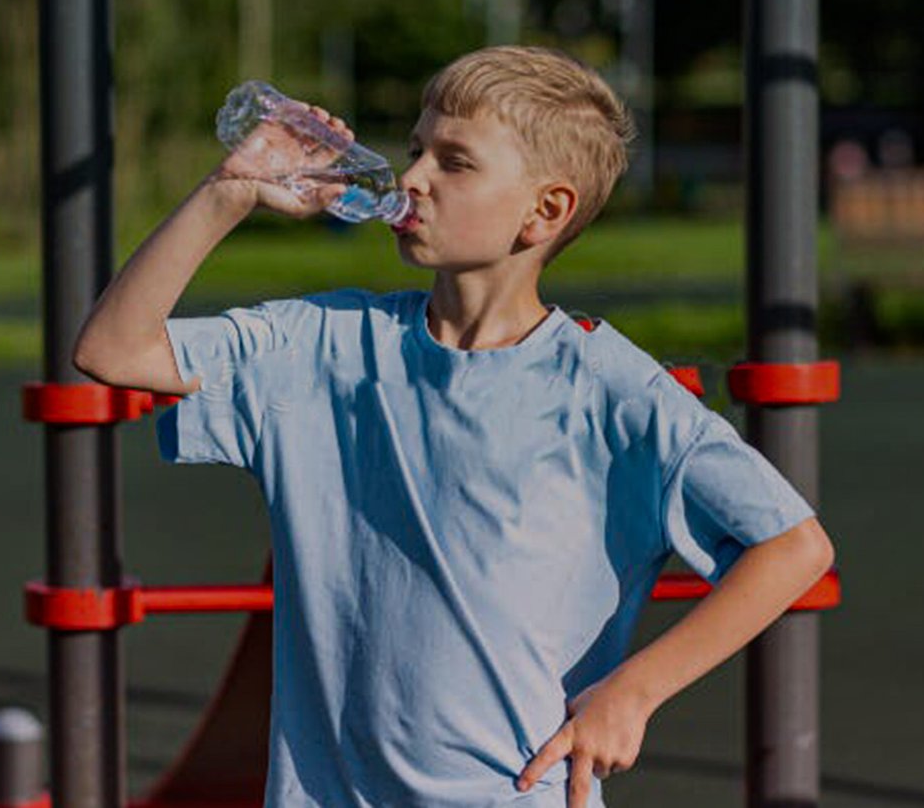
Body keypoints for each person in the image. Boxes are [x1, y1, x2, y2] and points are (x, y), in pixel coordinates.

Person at [74, 45, 835, 808]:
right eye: (416, 150)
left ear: (545, 211)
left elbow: (793, 546)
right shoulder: (322, 346)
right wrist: (227, 195)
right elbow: (113, 350)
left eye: (455, 162)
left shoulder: (612, 391)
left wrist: (634, 691)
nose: (412, 178)